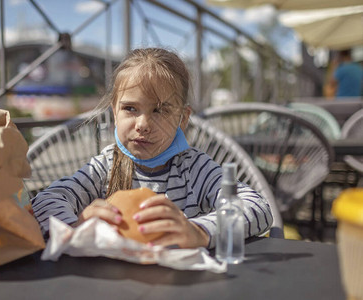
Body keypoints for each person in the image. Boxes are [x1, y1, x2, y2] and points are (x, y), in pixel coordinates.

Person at [31, 48, 273, 249]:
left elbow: (257, 208)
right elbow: (45, 200)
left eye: (160, 110)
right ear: (114, 112)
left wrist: (199, 231)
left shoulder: (195, 169)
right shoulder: (105, 167)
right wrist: (76, 226)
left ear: (183, 118)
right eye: (130, 109)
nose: (143, 125)